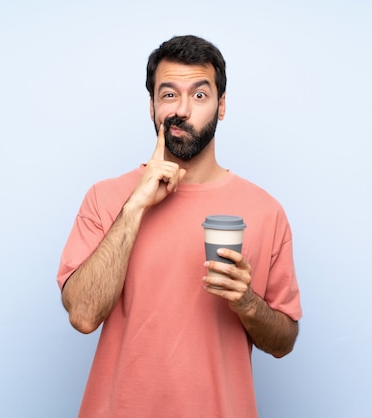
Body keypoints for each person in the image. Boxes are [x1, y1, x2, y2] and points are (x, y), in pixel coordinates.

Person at [57, 34, 302, 418]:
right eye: (168, 95)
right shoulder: (105, 198)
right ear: (152, 106)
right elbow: (83, 315)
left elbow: (284, 341)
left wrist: (248, 303)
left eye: (200, 96)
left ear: (221, 106)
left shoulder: (266, 211)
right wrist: (136, 204)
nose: (182, 110)